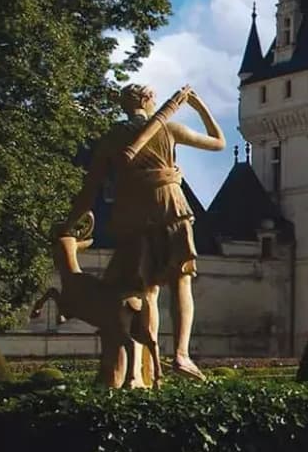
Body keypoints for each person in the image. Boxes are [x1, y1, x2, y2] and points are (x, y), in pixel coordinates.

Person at [67, 83, 225, 381]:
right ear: (151, 101)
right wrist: (198, 105)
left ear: (124, 105)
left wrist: (69, 223)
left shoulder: (112, 138)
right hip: (170, 206)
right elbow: (219, 142)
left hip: (131, 214)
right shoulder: (169, 129)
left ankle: (139, 372)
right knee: (181, 280)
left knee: (144, 288)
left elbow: (90, 190)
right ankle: (181, 354)